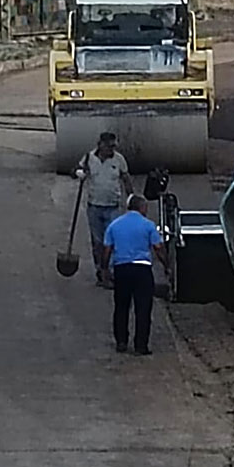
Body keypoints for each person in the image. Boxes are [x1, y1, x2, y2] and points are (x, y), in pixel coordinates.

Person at [102, 194, 168, 355]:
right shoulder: (148, 225)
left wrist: (104, 268)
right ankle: (140, 346)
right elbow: (158, 248)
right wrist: (167, 265)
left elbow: (107, 249)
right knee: (143, 309)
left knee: (121, 307)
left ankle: (121, 342)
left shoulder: (115, 225)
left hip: (121, 269)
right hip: (142, 270)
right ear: (142, 207)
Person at [75, 132, 134, 288]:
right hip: (94, 206)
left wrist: (131, 198)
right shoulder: (89, 158)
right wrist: (78, 173)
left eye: (114, 146)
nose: (111, 149)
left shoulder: (119, 160)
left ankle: (112, 272)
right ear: (100, 144)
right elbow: (76, 169)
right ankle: (101, 272)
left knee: (113, 241)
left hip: (112, 206)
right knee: (98, 242)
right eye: (109, 146)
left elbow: (126, 179)